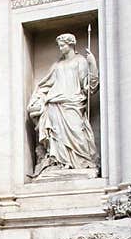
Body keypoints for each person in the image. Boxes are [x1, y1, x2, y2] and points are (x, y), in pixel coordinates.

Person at [27, 33, 99, 176]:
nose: (60, 48)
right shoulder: (57, 65)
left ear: (71, 44)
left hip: (73, 102)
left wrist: (92, 64)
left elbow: (88, 86)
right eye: (59, 46)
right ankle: (60, 163)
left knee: (77, 132)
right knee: (57, 136)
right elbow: (45, 85)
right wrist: (38, 99)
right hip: (54, 104)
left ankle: (81, 162)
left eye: (62, 45)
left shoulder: (81, 61)